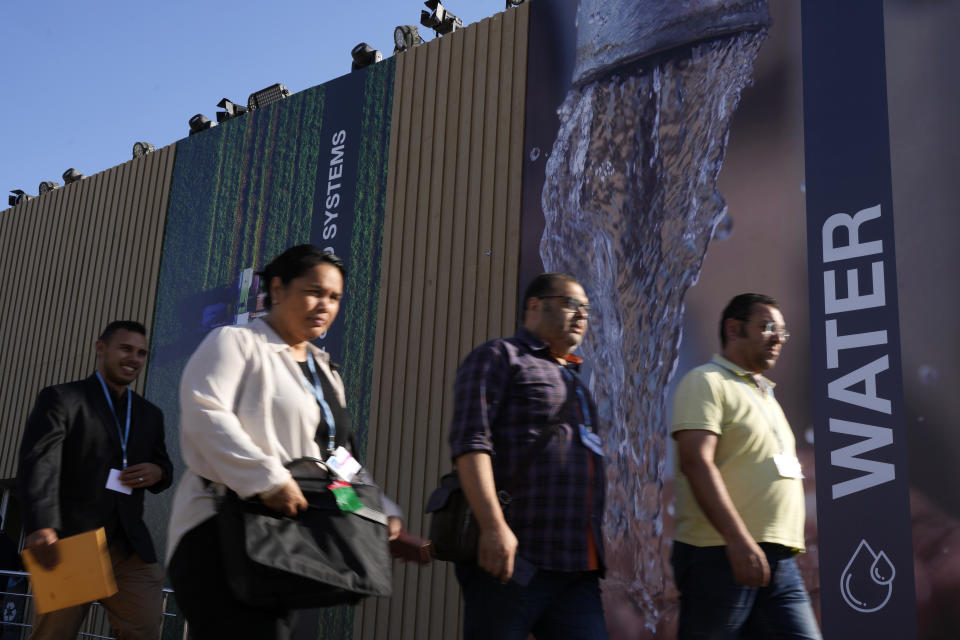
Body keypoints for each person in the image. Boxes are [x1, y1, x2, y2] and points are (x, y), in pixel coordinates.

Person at [166, 245, 401, 639]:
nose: (324, 304)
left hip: (284, 544)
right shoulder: (234, 343)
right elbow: (205, 415)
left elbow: (337, 461)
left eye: (334, 297)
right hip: (219, 531)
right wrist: (267, 479)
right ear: (277, 289)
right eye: (314, 291)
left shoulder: (326, 371)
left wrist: (375, 516)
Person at [449, 272, 608, 640]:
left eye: (586, 308)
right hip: (515, 560)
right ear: (535, 306)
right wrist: (492, 527)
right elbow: (471, 444)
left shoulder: (577, 384)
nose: (582, 315)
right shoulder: (499, 357)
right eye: (571, 304)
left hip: (576, 569)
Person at [670, 293, 822, 639]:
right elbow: (696, 463)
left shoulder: (766, 395)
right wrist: (737, 540)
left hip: (779, 561)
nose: (777, 338)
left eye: (783, 332)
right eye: (767, 327)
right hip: (721, 554)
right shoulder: (707, 381)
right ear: (734, 329)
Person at [17, 320, 173, 640]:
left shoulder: (149, 414)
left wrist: (158, 473)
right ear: (100, 348)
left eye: (141, 353)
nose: (134, 358)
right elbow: (40, 465)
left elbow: (163, 466)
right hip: (72, 542)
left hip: (131, 548)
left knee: (144, 628)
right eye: (126, 348)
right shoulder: (62, 398)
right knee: (54, 635)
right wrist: (42, 524)